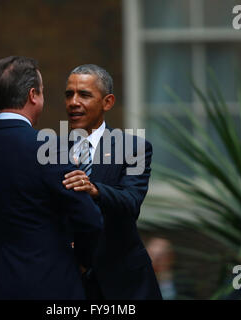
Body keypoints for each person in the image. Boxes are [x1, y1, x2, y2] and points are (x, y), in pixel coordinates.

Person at [0, 56, 103, 299]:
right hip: (47, 285)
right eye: (42, 92)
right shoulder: (48, 147)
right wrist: (82, 262)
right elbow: (89, 219)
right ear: (33, 95)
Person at [62, 64, 162, 299]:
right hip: (70, 281)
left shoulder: (134, 148)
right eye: (69, 94)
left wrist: (94, 189)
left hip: (123, 283)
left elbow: (131, 201)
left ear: (107, 102)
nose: (73, 102)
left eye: (84, 95)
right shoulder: (52, 151)